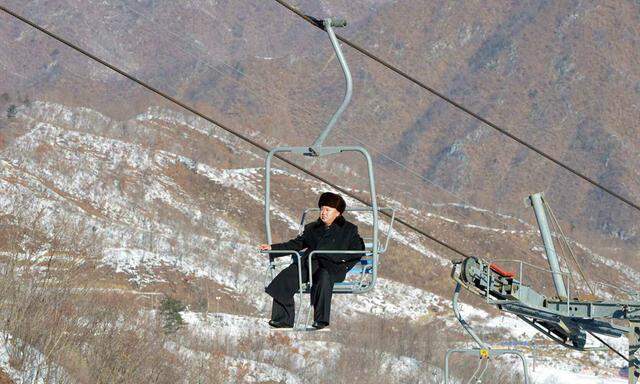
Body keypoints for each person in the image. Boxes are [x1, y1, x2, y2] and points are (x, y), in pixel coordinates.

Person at [259, 192, 365, 330]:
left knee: (323, 277)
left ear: (338, 213)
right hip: (310, 264)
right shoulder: (312, 228)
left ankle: (321, 320)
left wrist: (344, 264)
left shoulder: (348, 230)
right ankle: (283, 319)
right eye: (322, 209)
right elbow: (295, 244)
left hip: (332, 267)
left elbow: (358, 250)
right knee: (286, 277)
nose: (323, 213)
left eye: (328, 210)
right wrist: (273, 248)